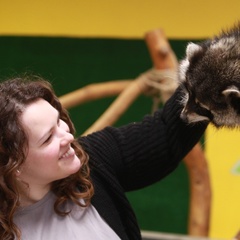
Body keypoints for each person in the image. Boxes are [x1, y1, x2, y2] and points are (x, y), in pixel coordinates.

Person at [0, 75, 208, 240]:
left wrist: (210, 71)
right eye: (48, 138)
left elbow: (166, 132)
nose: (69, 136)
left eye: (58, 121)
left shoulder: (91, 160)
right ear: (13, 164)